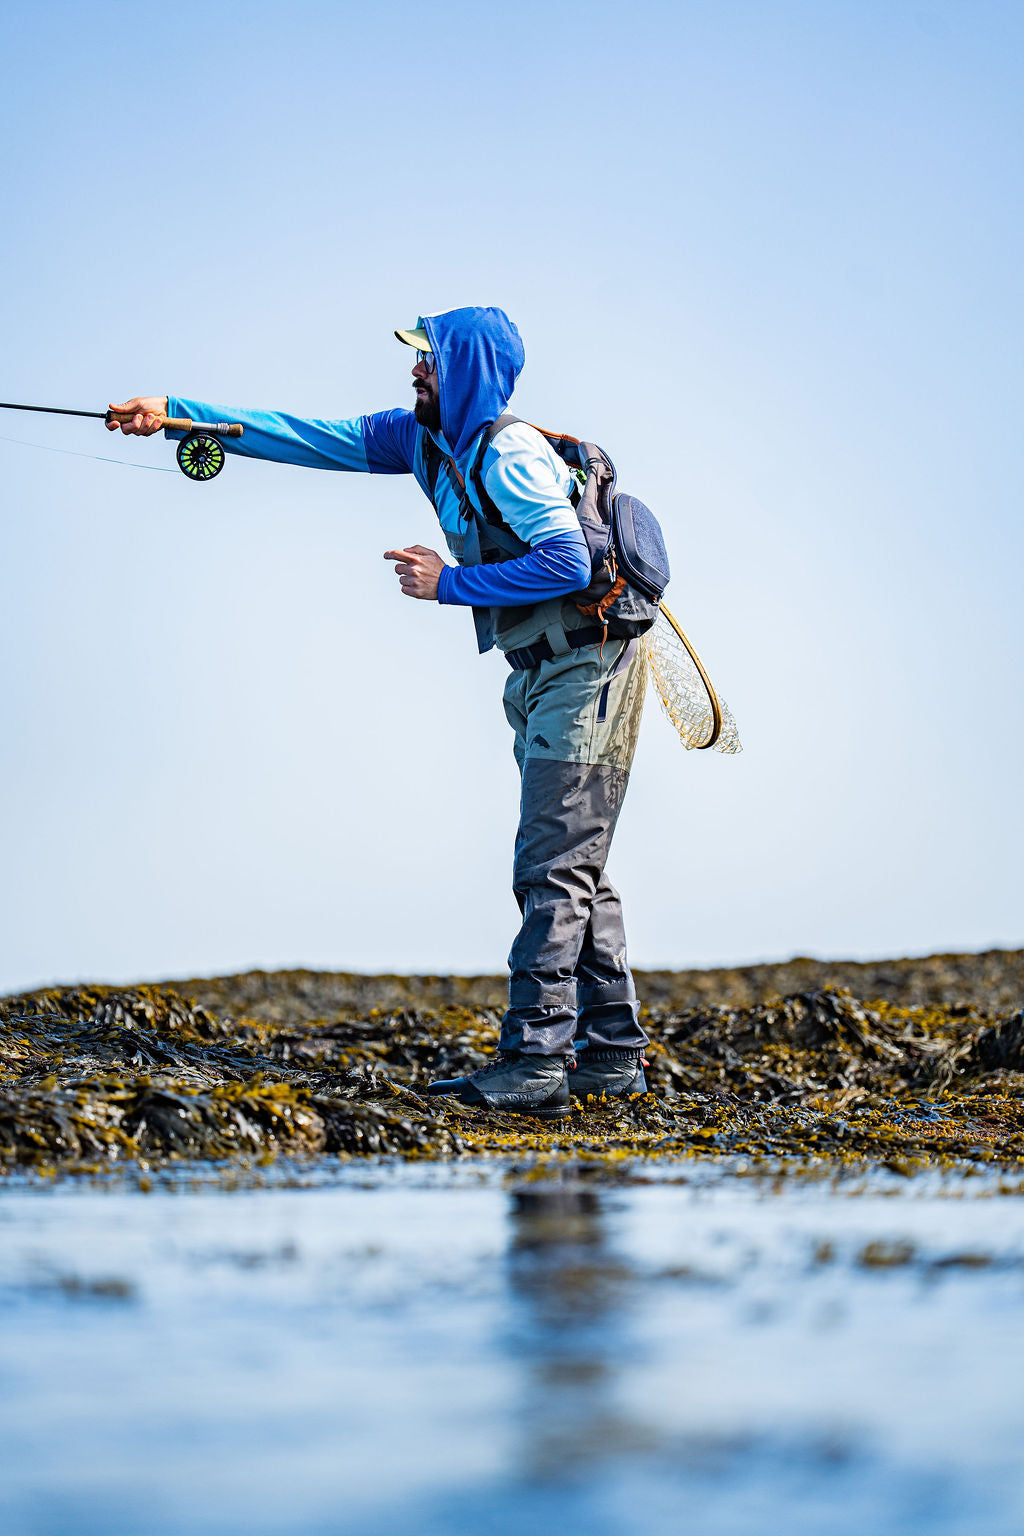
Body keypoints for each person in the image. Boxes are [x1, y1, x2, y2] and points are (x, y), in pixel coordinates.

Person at [109, 305, 649, 1118]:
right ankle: (610, 1057)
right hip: (539, 671)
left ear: (466, 369)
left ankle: (537, 1063)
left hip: (590, 667)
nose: (416, 369)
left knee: (551, 867)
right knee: (575, 866)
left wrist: (450, 584)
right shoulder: (421, 440)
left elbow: (568, 562)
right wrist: (176, 414)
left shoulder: (510, 455)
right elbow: (306, 436)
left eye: (429, 358)